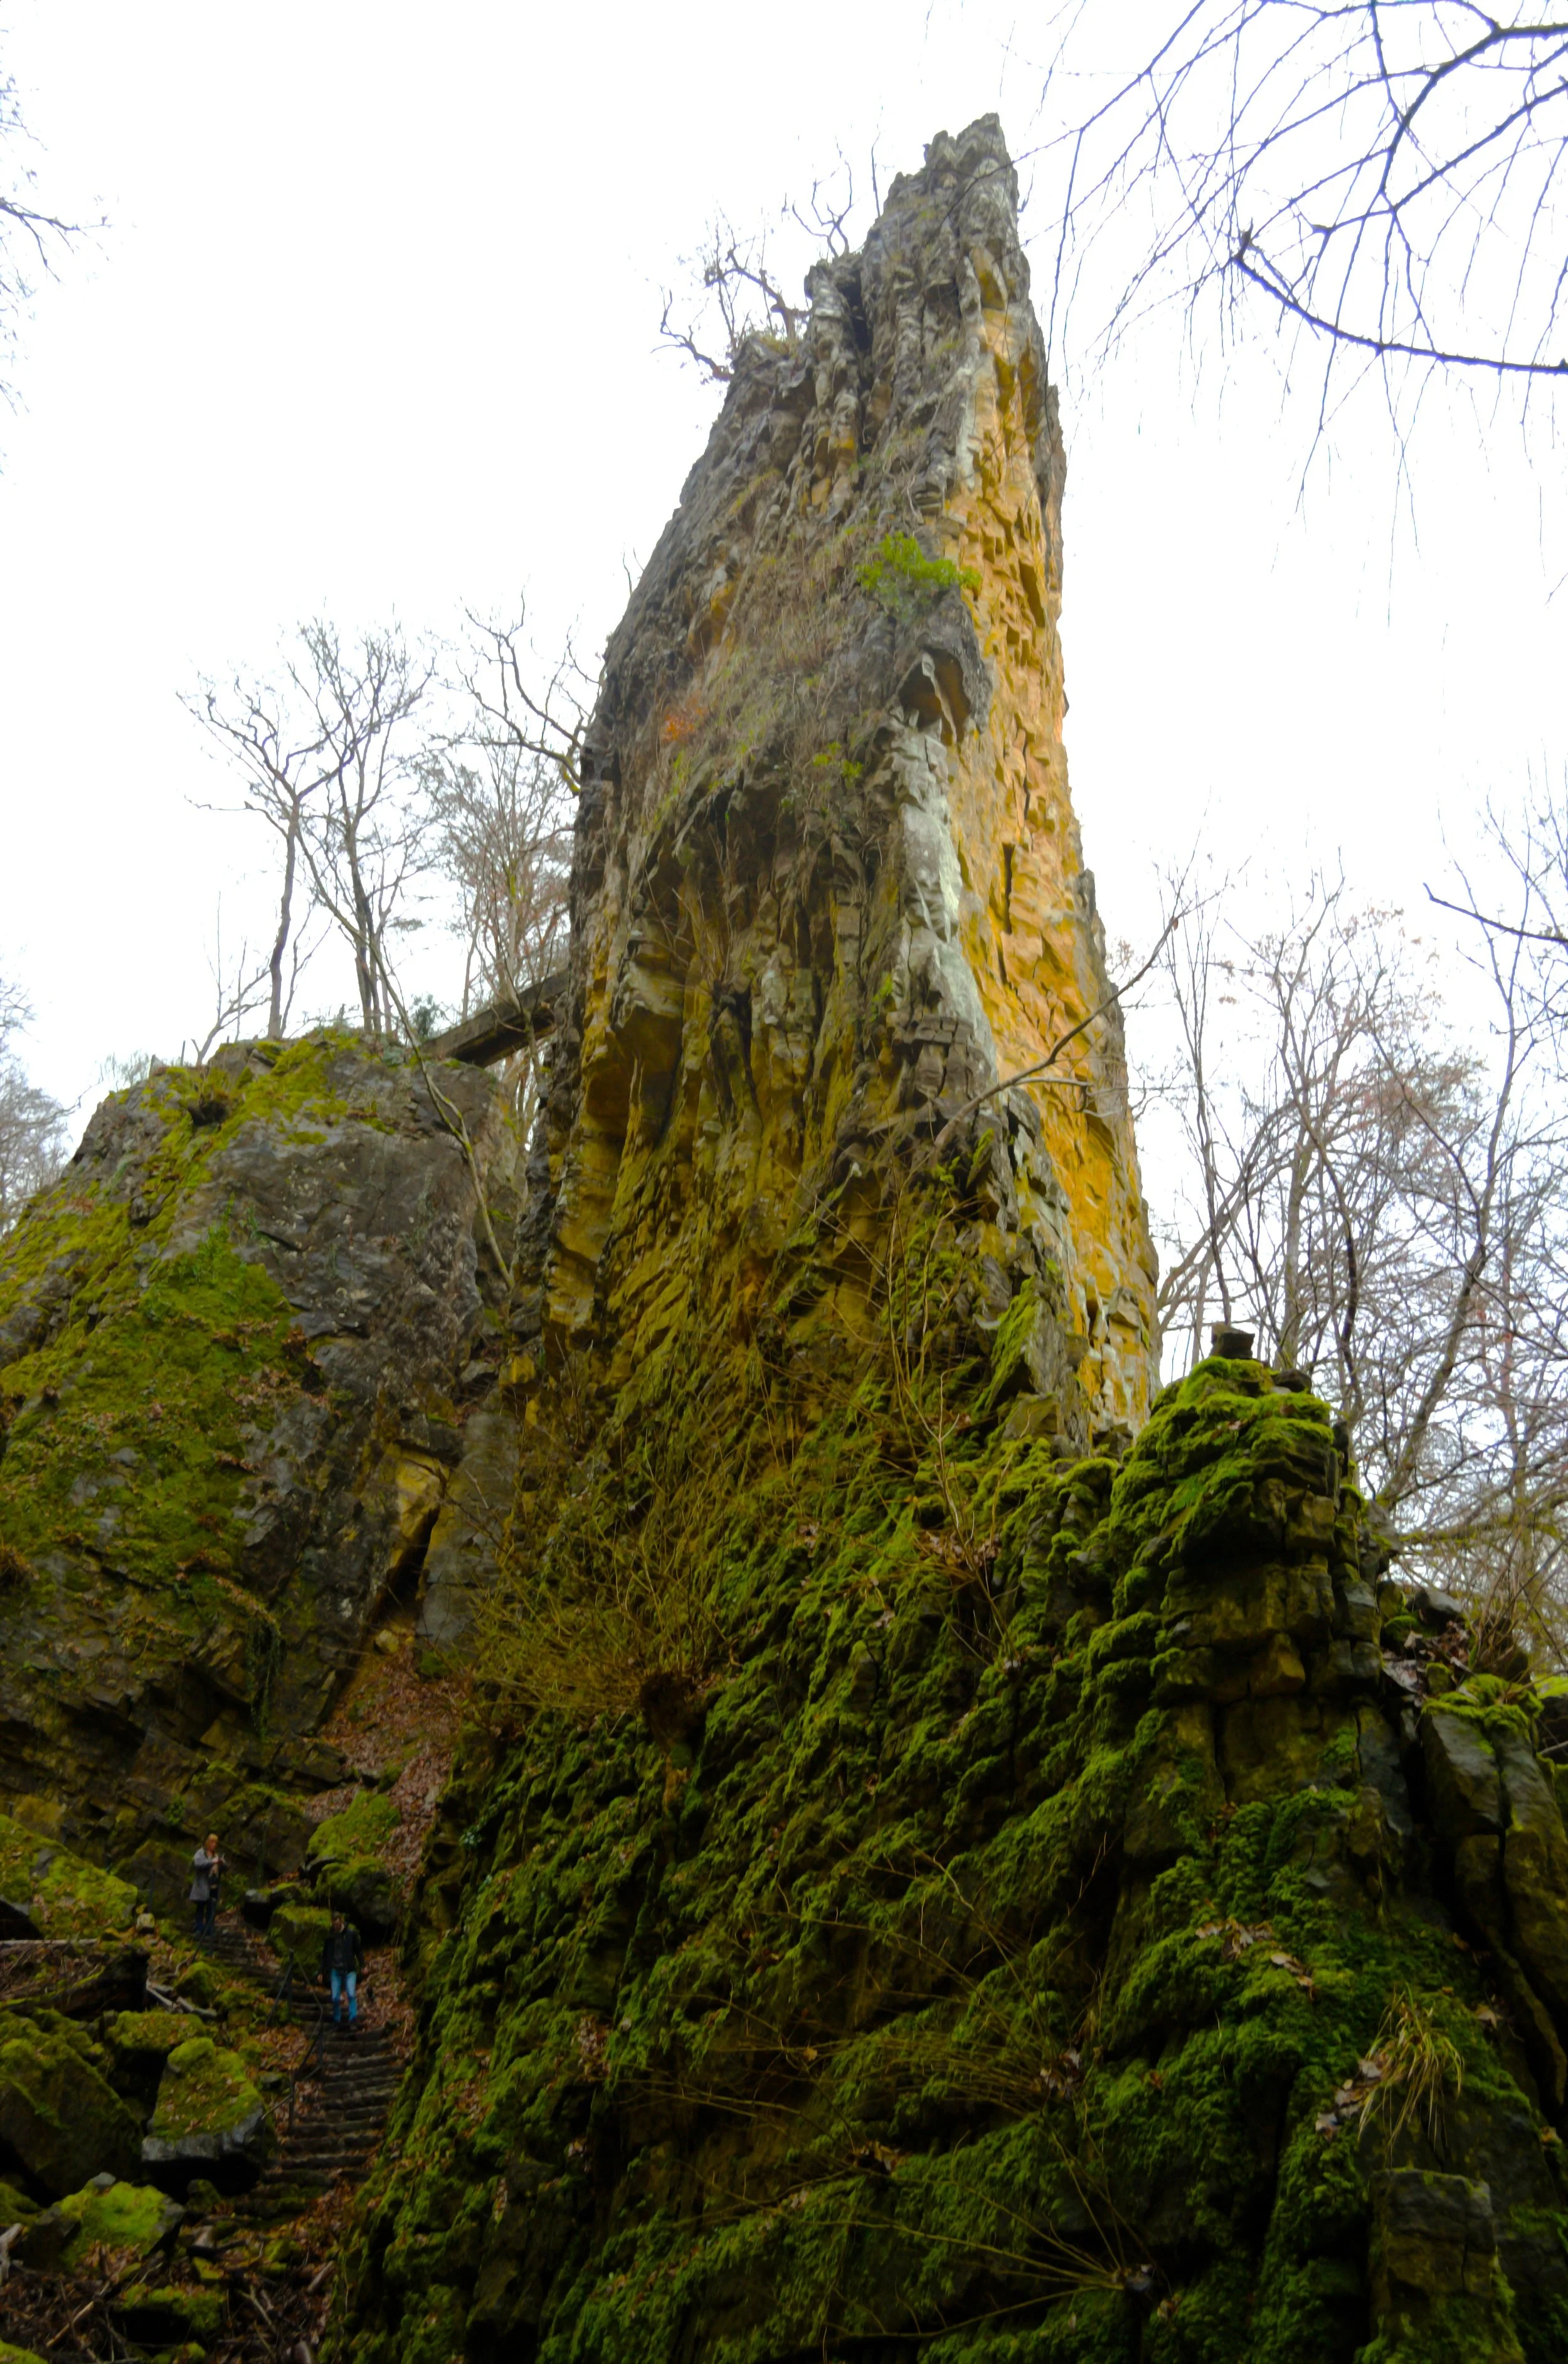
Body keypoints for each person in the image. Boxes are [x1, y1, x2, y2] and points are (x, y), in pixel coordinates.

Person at [320, 1912, 364, 2028]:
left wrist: (363, 1965)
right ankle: (337, 2020)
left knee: (351, 1993)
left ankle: (353, 2018)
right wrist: (321, 1971)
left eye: (337, 1922)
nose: (335, 1925)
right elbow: (325, 1955)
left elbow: (358, 1950)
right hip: (336, 1970)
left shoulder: (351, 1935)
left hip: (349, 1970)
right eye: (334, 1923)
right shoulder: (330, 1938)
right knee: (335, 1997)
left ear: (341, 1921)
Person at [189, 1833, 224, 1941]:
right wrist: (211, 1862)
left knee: (211, 1909)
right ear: (208, 1842)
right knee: (200, 1908)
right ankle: (199, 1929)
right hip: (202, 1887)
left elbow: (222, 1867)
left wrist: (222, 1863)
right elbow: (198, 1864)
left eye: (216, 1843)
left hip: (213, 1887)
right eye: (212, 1842)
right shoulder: (201, 1853)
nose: (214, 1845)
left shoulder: (215, 1855)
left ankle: (209, 1931)